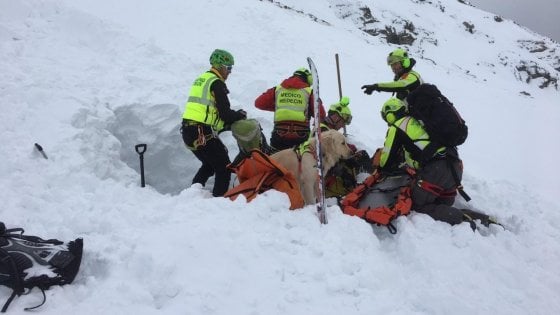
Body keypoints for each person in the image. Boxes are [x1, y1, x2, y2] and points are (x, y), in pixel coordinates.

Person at [376, 97, 495, 229]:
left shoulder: (398, 125)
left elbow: (386, 159)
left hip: (436, 171)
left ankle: (461, 219)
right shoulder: (422, 121)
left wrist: (381, 168)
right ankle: (481, 219)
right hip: (454, 168)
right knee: (439, 205)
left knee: (417, 205)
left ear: (390, 114)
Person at [181, 49, 247, 197]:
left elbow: (206, 111)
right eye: (228, 68)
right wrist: (240, 115)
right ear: (219, 66)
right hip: (201, 131)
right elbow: (225, 113)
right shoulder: (217, 83)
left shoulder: (202, 79)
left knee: (210, 165)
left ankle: (192, 195)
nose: (230, 72)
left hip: (189, 130)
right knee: (224, 167)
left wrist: (223, 125)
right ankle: (219, 202)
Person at [255, 67, 326, 152]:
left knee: (276, 162)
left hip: (279, 134)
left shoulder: (278, 89)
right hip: (301, 136)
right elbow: (321, 114)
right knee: (299, 162)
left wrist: (280, 107)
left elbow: (258, 103)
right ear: (308, 79)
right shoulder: (309, 92)